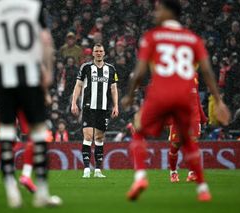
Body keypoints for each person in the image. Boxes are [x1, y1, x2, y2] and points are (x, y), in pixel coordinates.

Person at [121, 0, 230, 202]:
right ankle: (203, 189)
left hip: (161, 92)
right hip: (184, 97)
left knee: (138, 130)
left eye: (158, 9)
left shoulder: (153, 36)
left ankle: (140, 178)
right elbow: (206, 71)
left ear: (169, 12)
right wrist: (219, 100)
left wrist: (130, 94)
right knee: (189, 143)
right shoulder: (193, 39)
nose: (155, 13)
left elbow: (139, 72)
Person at [0, 0, 61, 208]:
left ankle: (11, 191)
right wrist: (48, 70)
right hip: (30, 78)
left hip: (4, 80)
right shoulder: (34, 6)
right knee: (39, 133)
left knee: (6, 133)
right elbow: (45, 39)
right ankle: (41, 192)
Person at [71, 43, 119, 178]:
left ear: (104, 53)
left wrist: (116, 106)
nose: (98, 53)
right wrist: (74, 102)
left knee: (99, 138)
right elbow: (78, 85)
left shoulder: (111, 69)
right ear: (93, 53)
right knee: (87, 136)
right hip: (88, 106)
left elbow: (113, 88)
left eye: (100, 51)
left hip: (103, 108)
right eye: (96, 51)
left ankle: (98, 170)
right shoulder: (86, 67)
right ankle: (86, 168)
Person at [168, 72, 208, 183]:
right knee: (176, 145)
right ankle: (173, 172)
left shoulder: (195, 75)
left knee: (192, 144)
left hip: (193, 117)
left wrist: (202, 117)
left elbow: (197, 98)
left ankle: (192, 173)